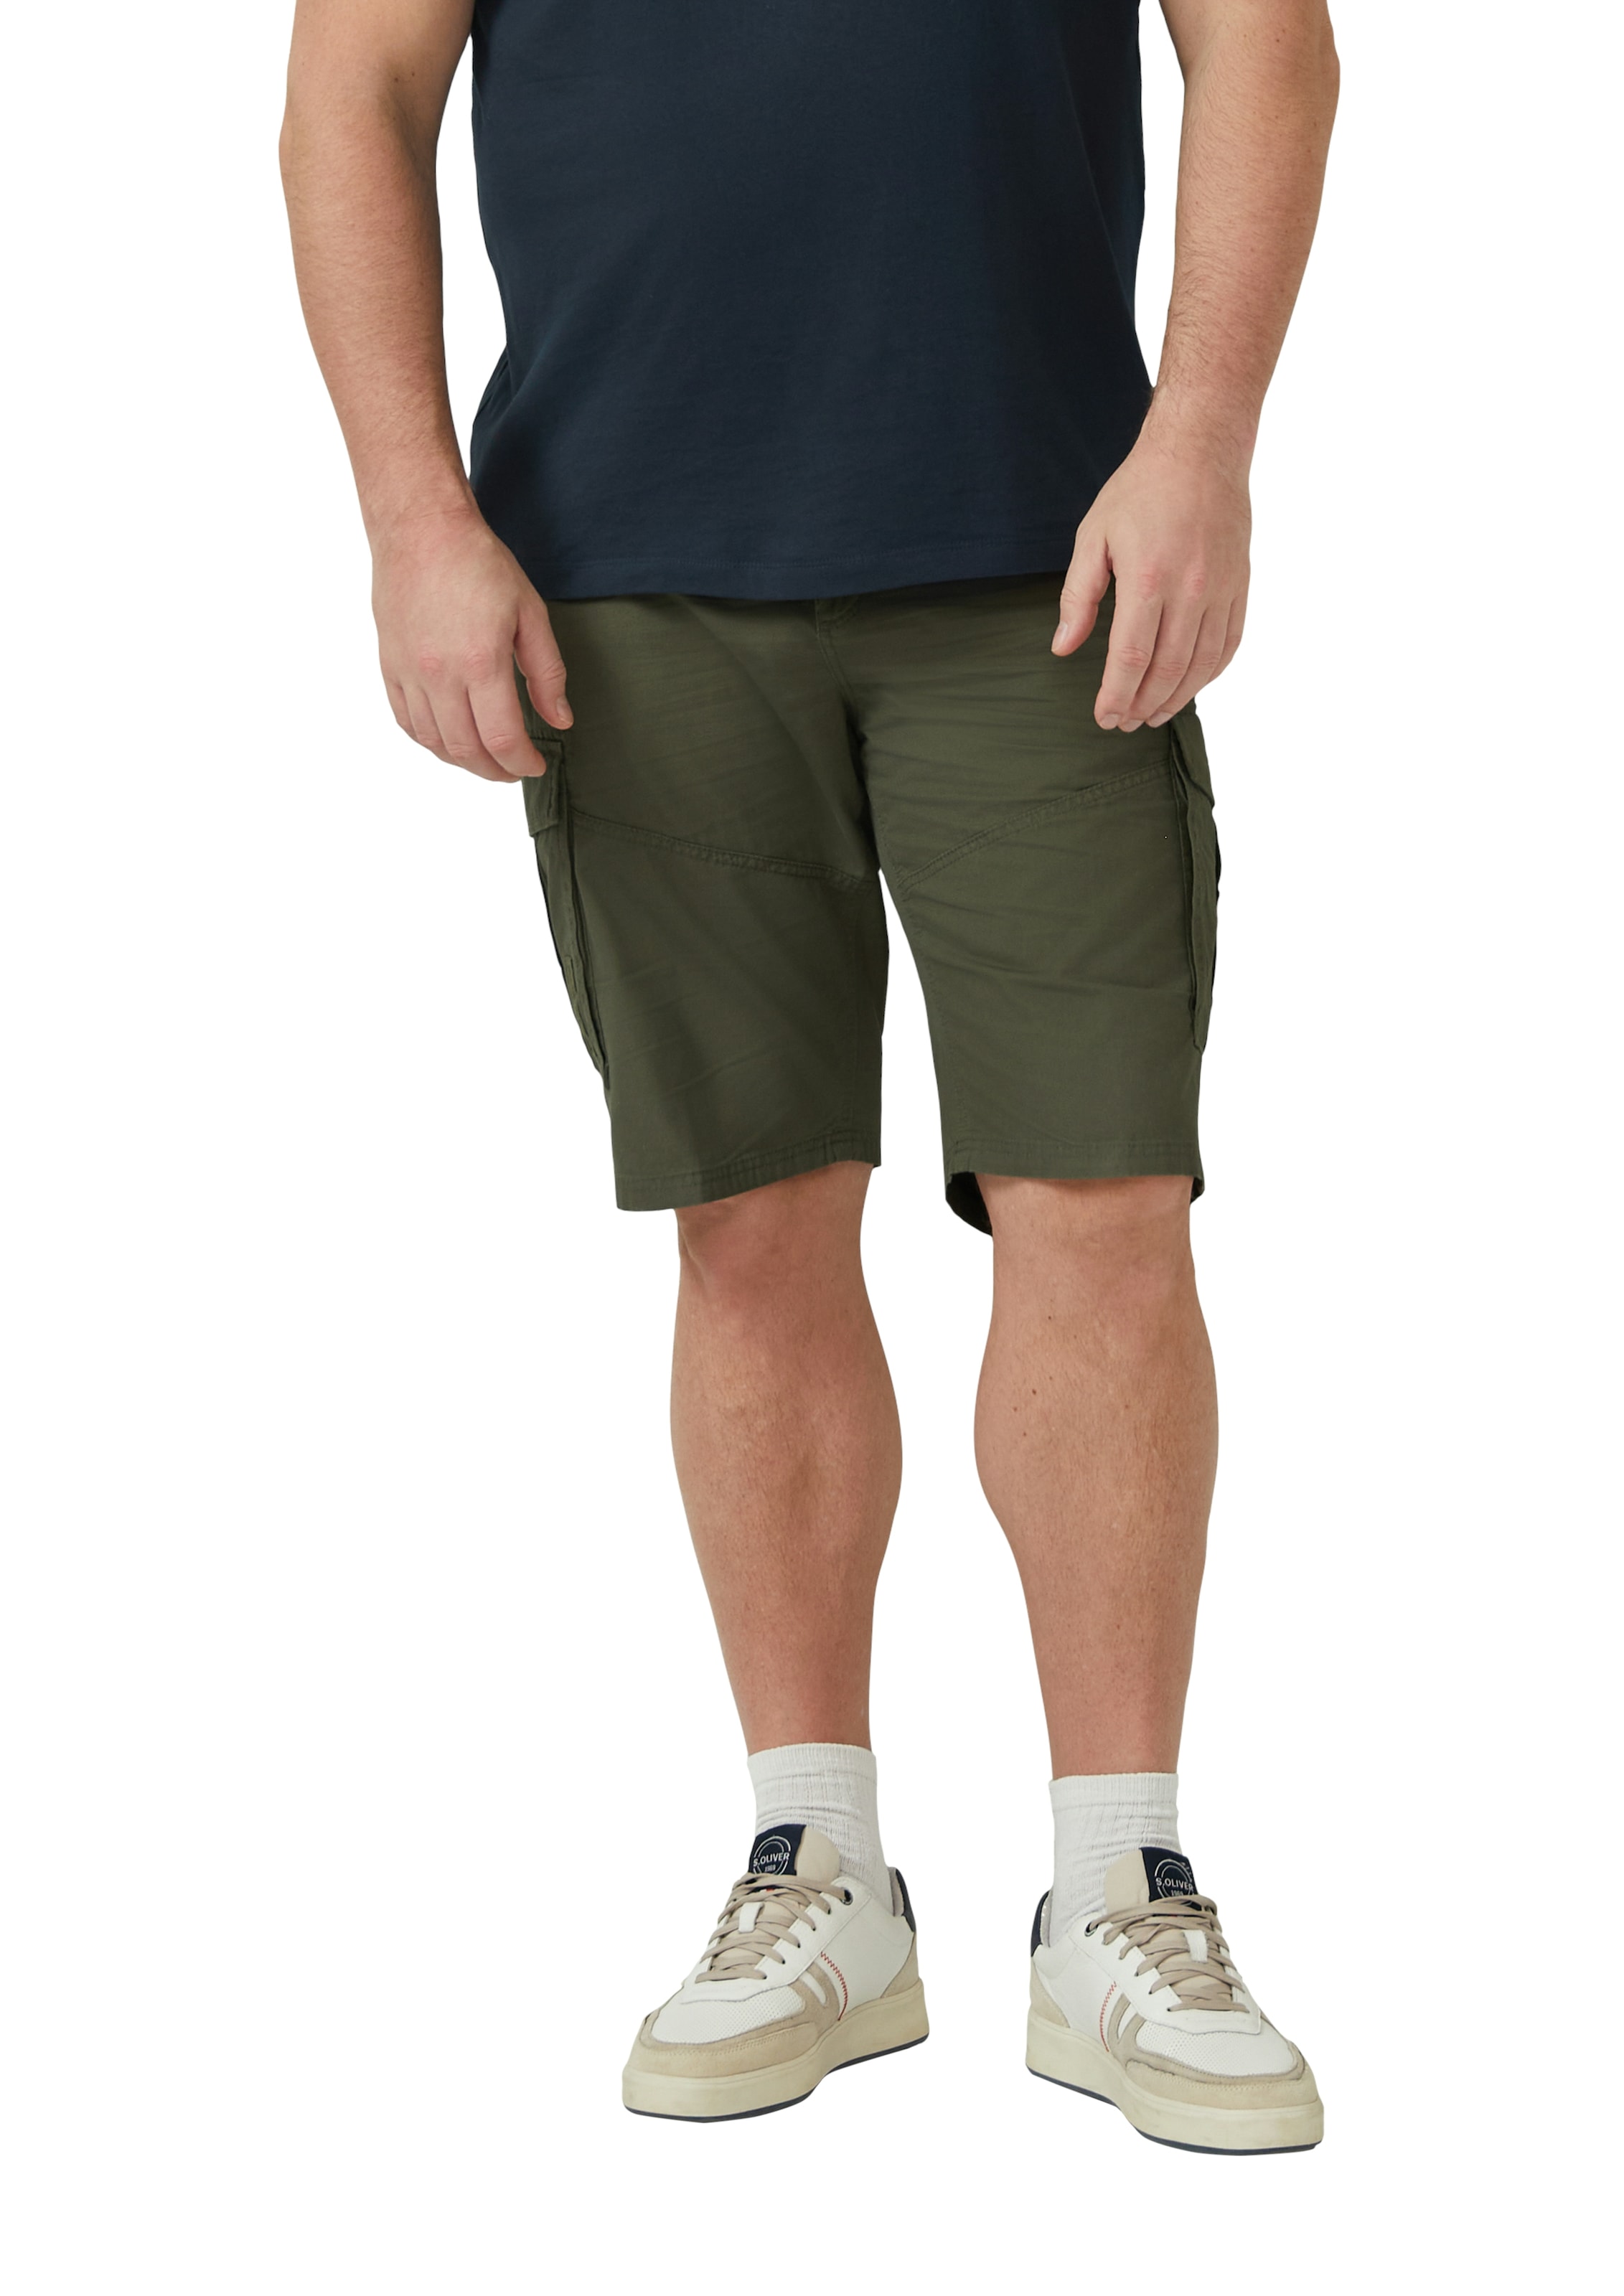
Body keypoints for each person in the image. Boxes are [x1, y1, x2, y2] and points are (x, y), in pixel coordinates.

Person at [281, 0, 1338, 2147]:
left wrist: (1206, 437)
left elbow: (1268, 44)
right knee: (749, 1219)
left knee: (1102, 1198)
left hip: (1049, 544)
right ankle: (818, 1869)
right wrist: (409, 512)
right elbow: (351, 91)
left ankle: (1119, 1888)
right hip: (626, 556)